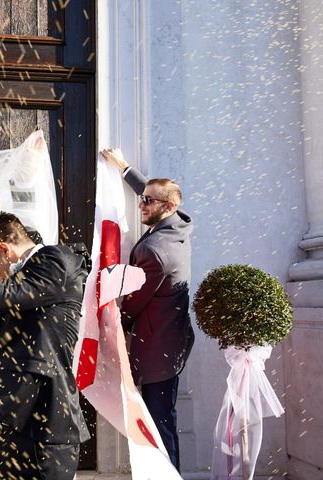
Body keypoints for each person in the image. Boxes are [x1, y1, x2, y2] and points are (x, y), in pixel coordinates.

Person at [0, 199, 90, 480]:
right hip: (15, 420)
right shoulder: (27, 280)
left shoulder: (56, 262)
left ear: (4, 250)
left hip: (45, 426)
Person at [100, 147, 194, 471]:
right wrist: (125, 168)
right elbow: (157, 192)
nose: (141, 203)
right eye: (142, 198)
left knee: (158, 421)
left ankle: (168, 476)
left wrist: (108, 324)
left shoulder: (157, 250)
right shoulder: (177, 222)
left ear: (166, 207)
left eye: (147, 201)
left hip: (158, 352)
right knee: (162, 416)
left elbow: (134, 302)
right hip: (170, 341)